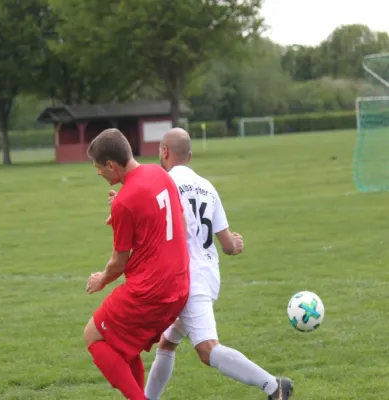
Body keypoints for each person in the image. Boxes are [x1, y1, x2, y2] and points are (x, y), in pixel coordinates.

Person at [140, 127, 294, 399]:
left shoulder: (164, 183)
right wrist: (237, 243)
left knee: (207, 349)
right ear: (189, 155)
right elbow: (228, 245)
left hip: (187, 278)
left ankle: (274, 386)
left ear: (164, 151)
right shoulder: (208, 187)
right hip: (208, 274)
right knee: (167, 342)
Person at [83, 128, 190, 400]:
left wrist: (102, 280)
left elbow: (119, 262)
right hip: (179, 286)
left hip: (151, 291)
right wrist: (122, 204)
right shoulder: (159, 173)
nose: (98, 173)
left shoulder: (125, 203)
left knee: (93, 335)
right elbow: (161, 213)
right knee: (123, 348)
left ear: (111, 164)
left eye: (98, 167)